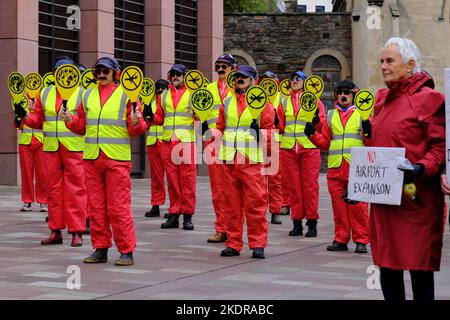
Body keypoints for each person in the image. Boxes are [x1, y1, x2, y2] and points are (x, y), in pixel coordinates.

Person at [370, 37, 445, 301]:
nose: (383, 66)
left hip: (416, 200)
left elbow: (439, 148)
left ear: (410, 64)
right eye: (381, 61)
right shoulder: (381, 100)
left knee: (418, 266)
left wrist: (420, 167)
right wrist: (360, 183)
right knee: (387, 264)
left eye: (390, 61)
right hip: (385, 200)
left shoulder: (429, 99)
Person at [62, 56, 147, 266]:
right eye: (98, 70)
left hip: (116, 158)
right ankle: (100, 248)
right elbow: (82, 126)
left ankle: (126, 250)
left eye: (106, 71)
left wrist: (137, 122)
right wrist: (69, 121)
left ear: (115, 73)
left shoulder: (126, 94)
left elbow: (136, 128)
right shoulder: (87, 95)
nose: (101, 74)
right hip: (92, 158)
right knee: (96, 207)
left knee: (118, 207)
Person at [14, 56, 86, 247]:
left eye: (67, 71)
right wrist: (24, 116)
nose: (62, 75)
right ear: (54, 74)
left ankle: (76, 231)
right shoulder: (45, 93)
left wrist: (70, 120)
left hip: (74, 148)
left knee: (75, 190)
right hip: (51, 148)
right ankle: (55, 230)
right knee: (53, 190)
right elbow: (38, 121)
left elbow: (85, 125)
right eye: (58, 71)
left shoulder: (82, 94)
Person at [216, 65, 274, 259]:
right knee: (231, 204)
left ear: (253, 80)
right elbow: (220, 127)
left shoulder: (263, 103)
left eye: (244, 77)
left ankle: (258, 244)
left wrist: (261, 134)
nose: (239, 79)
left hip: (250, 159)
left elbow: (271, 133)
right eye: (238, 77)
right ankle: (233, 243)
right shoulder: (227, 101)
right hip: (229, 159)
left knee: (255, 203)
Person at [306, 80, 370, 253]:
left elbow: (370, 142)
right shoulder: (331, 115)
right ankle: (340, 239)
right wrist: (312, 135)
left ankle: (361, 240)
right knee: (339, 207)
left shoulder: (363, 114)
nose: (343, 95)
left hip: (355, 167)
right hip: (335, 168)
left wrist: (369, 130)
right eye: (340, 92)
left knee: (358, 206)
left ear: (354, 94)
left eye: (347, 92)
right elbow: (326, 143)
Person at [277, 71, 326, 237]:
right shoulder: (283, 102)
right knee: (293, 188)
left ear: (305, 82)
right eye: (292, 79)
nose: (294, 81)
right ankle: (296, 222)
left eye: (298, 78)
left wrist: (316, 122)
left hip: (309, 148)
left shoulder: (315, 101)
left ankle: (312, 223)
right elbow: (281, 126)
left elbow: (322, 125)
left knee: (310, 187)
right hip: (289, 149)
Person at [151, 64, 197, 230]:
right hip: (168, 142)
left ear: (185, 76)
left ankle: (187, 215)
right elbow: (159, 119)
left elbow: (200, 116)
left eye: (178, 74)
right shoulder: (163, 95)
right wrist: (149, 115)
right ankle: (174, 213)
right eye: (173, 74)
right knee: (172, 180)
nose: (175, 77)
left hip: (185, 142)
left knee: (187, 180)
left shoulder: (193, 93)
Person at [204, 54, 236, 243]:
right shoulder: (207, 89)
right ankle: (221, 228)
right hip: (213, 144)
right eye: (218, 66)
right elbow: (198, 115)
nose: (221, 69)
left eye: (225, 66)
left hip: (233, 144)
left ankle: (234, 230)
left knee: (233, 189)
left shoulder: (239, 88)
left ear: (233, 67)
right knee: (217, 190)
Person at [15, 94, 48, 213]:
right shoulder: (22, 100)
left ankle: (43, 201)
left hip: (41, 141)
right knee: (26, 173)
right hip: (25, 141)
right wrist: (20, 114)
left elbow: (45, 120)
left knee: (42, 173)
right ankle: (27, 201)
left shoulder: (43, 100)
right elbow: (17, 125)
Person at [259, 71, 283, 225]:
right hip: (259, 140)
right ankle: (260, 210)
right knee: (259, 180)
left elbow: (285, 122)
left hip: (274, 140)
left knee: (275, 179)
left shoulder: (281, 99)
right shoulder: (255, 97)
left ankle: (275, 211)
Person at [143, 79, 170, 218]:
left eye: (163, 87)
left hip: (168, 142)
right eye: (158, 87)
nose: (160, 89)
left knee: (172, 177)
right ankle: (156, 204)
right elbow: (146, 125)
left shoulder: (170, 102)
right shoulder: (150, 103)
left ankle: (175, 208)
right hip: (153, 143)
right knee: (156, 177)